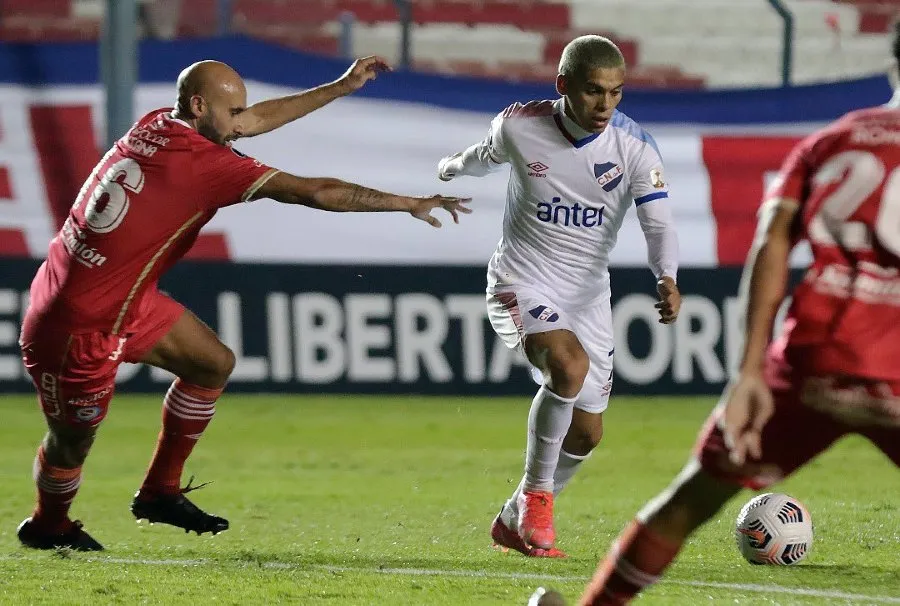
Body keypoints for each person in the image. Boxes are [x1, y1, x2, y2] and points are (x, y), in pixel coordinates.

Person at [17, 57, 471, 551]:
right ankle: (48, 524)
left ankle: (159, 493)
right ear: (198, 106)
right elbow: (316, 192)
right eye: (231, 111)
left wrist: (339, 87)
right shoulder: (206, 164)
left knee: (211, 363)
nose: (241, 123)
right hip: (78, 323)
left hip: (114, 297)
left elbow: (251, 121)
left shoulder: (158, 125)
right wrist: (406, 203)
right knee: (72, 441)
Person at [572, 25, 900, 606]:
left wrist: (749, 372)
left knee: (690, 501)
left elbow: (771, 244)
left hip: (809, 364)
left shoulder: (831, 143)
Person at [437, 35, 681, 557]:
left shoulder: (635, 147)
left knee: (588, 434)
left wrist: (666, 277)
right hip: (520, 281)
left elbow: (658, 224)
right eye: (594, 91)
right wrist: (451, 168)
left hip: (588, 295)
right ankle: (539, 498)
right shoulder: (522, 126)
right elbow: (483, 157)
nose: (605, 105)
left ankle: (512, 517)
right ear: (563, 85)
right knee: (566, 367)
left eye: (616, 93)